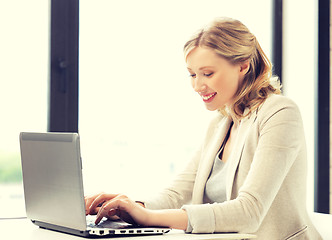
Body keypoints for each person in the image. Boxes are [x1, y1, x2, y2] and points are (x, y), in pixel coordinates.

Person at [85, 17, 322, 239]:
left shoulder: (280, 113)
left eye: (207, 73)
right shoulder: (220, 124)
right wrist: (129, 206)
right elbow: (178, 193)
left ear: (243, 66)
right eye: (192, 74)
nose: (198, 85)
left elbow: (249, 211)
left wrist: (148, 218)